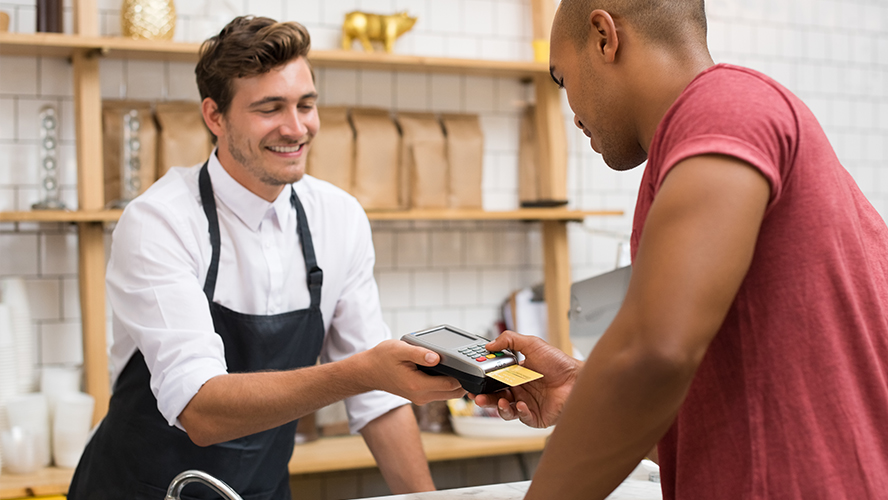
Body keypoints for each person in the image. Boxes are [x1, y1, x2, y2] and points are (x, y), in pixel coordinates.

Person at [474, 1, 888, 499]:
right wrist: (584, 393)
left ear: (605, 36)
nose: (572, 111)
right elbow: (742, 402)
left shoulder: (725, 108)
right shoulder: (728, 127)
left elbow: (653, 354)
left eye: (562, 80)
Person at [68, 16, 466, 499]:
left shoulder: (338, 218)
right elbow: (202, 410)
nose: (296, 128)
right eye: (270, 108)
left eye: (306, 104)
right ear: (215, 116)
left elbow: (377, 401)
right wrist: (361, 371)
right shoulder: (160, 221)